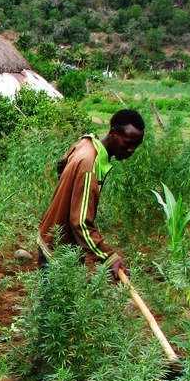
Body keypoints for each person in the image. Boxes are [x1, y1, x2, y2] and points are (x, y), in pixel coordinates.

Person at [38, 109, 145, 279]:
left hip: (58, 238)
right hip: (59, 247)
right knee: (59, 295)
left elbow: (61, 165)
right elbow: (80, 222)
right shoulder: (89, 165)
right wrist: (109, 256)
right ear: (113, 133)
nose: (131, 149)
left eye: (136, 145)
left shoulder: (86, 144)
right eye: (128, 142)